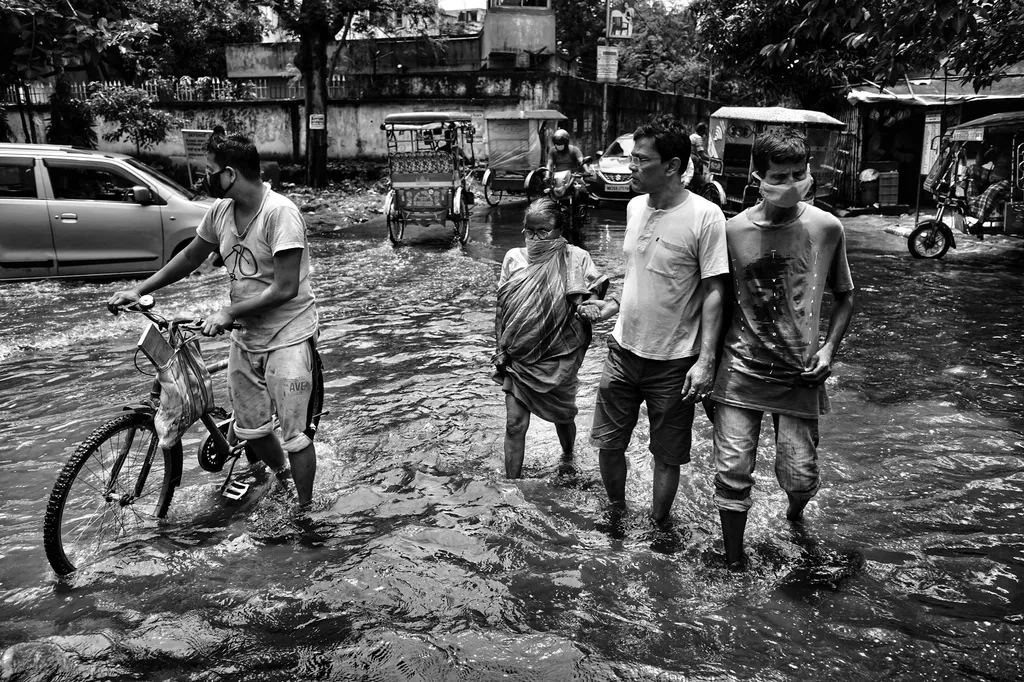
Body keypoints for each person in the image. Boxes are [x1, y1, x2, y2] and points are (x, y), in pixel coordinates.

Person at [107, 133, 321, 509]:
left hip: (288, 333)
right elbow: (191, 257)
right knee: (250, 428)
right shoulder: (221, 212)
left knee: (294, 435)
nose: (204, 178)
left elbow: (286, 287)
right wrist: (140, 290)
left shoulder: (280, 213)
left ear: (230, 173)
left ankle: (305, 512)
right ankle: (283, 477)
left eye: (209, 172)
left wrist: (227, 312)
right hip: (247, 333)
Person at [709, 127, 855, 571]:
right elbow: (719, 302)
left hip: (801, 374)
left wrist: (829, 350)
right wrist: (704, 366)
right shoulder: (731, 231)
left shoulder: (826, 228)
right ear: (758, 176)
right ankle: (734, 560)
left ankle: (794, 516)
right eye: (779, 174)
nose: (790, 182)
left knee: (800, 477)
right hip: (740, 371)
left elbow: (845, 296)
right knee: (733, 471)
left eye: (798, 172)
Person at [589, 114, 729, 526]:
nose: (631, 166)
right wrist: (611, 304)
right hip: (622, 350)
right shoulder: (634, 207)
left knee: (666, 455)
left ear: (671, 166)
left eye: (641, 160)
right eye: (632, 158)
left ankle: (656, 525)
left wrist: (706, 361)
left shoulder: (706, 216)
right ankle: (615, 515)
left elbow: (715, 291)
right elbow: (640, 274)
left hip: (674, 361)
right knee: (608, 443)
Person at [493, 197, 609, 478]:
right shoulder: (513, 258)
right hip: (518, 356)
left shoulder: (576, 257)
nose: (535, 238)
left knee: (563, 416)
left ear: (559, 229)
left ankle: (568, 458)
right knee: (514, 424)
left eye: (542, 231)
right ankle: (512, 485)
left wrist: (590, 305)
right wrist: (499, 346)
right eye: (529, 232)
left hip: (559, 355)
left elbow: (593, 289)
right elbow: (502, 306)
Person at [966, 145, 1012, 239]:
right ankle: (972, 206)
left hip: (1010, 180)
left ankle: (979, 223)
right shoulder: (998, 151)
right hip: (993, 176)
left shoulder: (1016, 150)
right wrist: (981, 147)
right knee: (972, 168)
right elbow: (979, 162)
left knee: (992, 190)